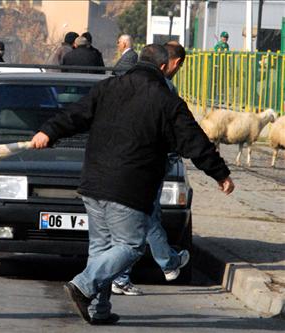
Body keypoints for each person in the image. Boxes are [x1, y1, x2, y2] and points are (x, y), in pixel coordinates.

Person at [31, 44, 235, 325]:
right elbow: (194, 142)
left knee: (102, 250)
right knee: (131, 246)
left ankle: (97, 310)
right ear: (165, 67)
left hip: (93, 182)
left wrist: (47, 131)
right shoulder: (166, 101)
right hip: (128, 187)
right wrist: (221, 174)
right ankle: (82, 285)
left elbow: (76, 114)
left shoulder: (109, 87)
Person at [111, 41, 188, 297]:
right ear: (173, 63)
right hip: (148, 163)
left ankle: (162, 263)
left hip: (131, 161)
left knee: (145, 217)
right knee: (145, 217)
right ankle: (163, 263)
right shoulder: (163, 89)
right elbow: (178, 129)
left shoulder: (128, 81)